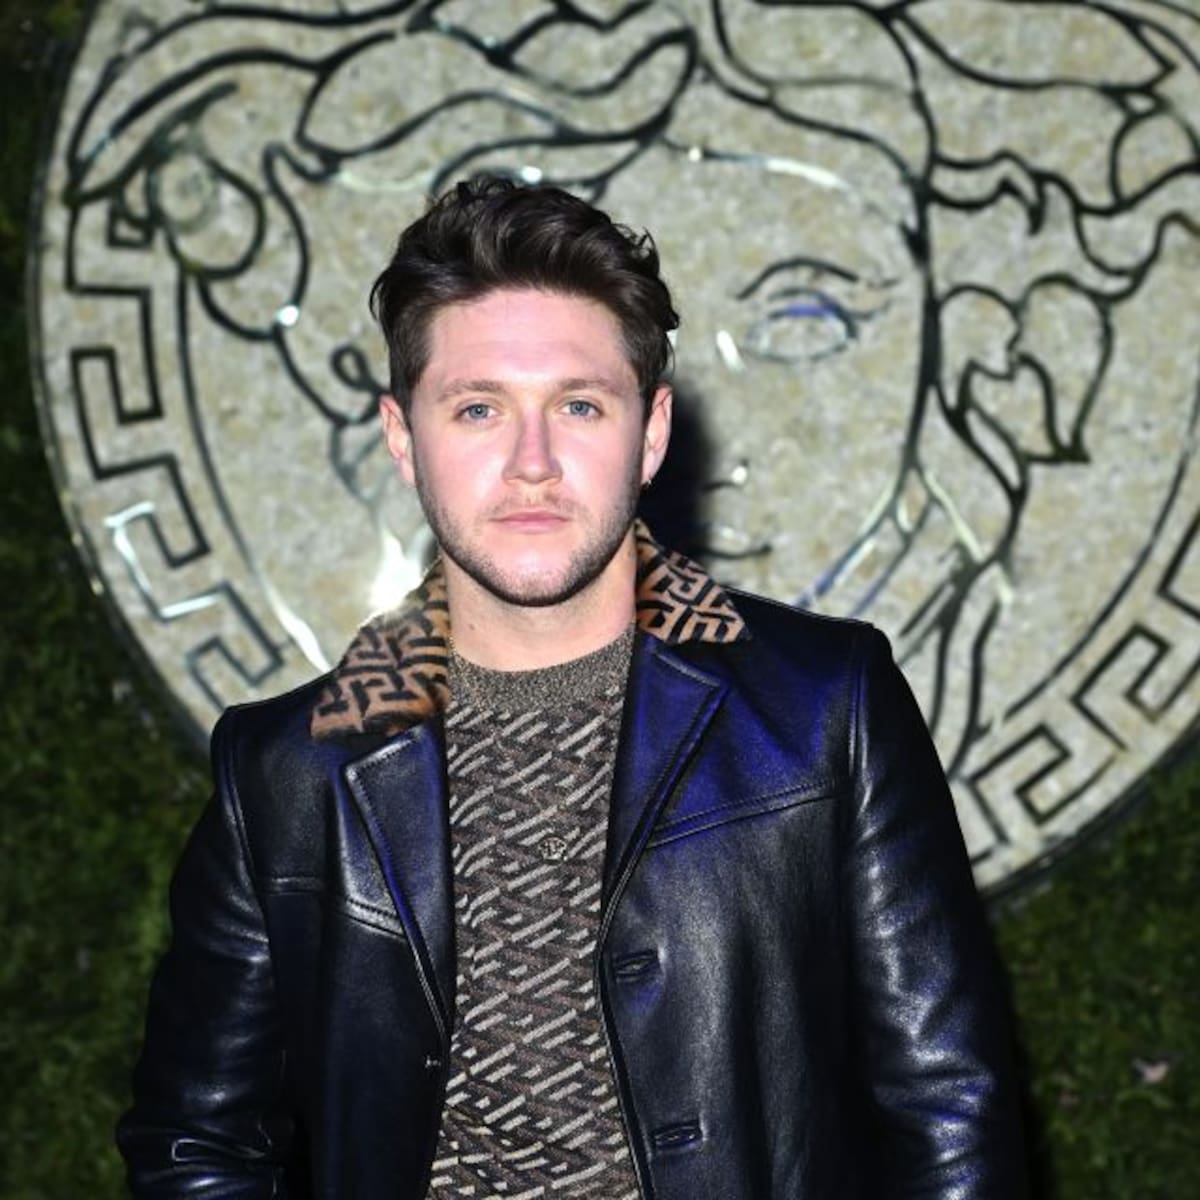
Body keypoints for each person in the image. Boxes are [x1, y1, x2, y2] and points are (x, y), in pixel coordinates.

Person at [117, 176, 1028, 1199]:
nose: (533, 463)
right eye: (478, 409)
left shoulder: (824, 709)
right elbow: (197, 1145)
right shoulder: (288, 774)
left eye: (579, 405)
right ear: (402, 438)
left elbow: (951, 1112)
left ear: (651, 433)